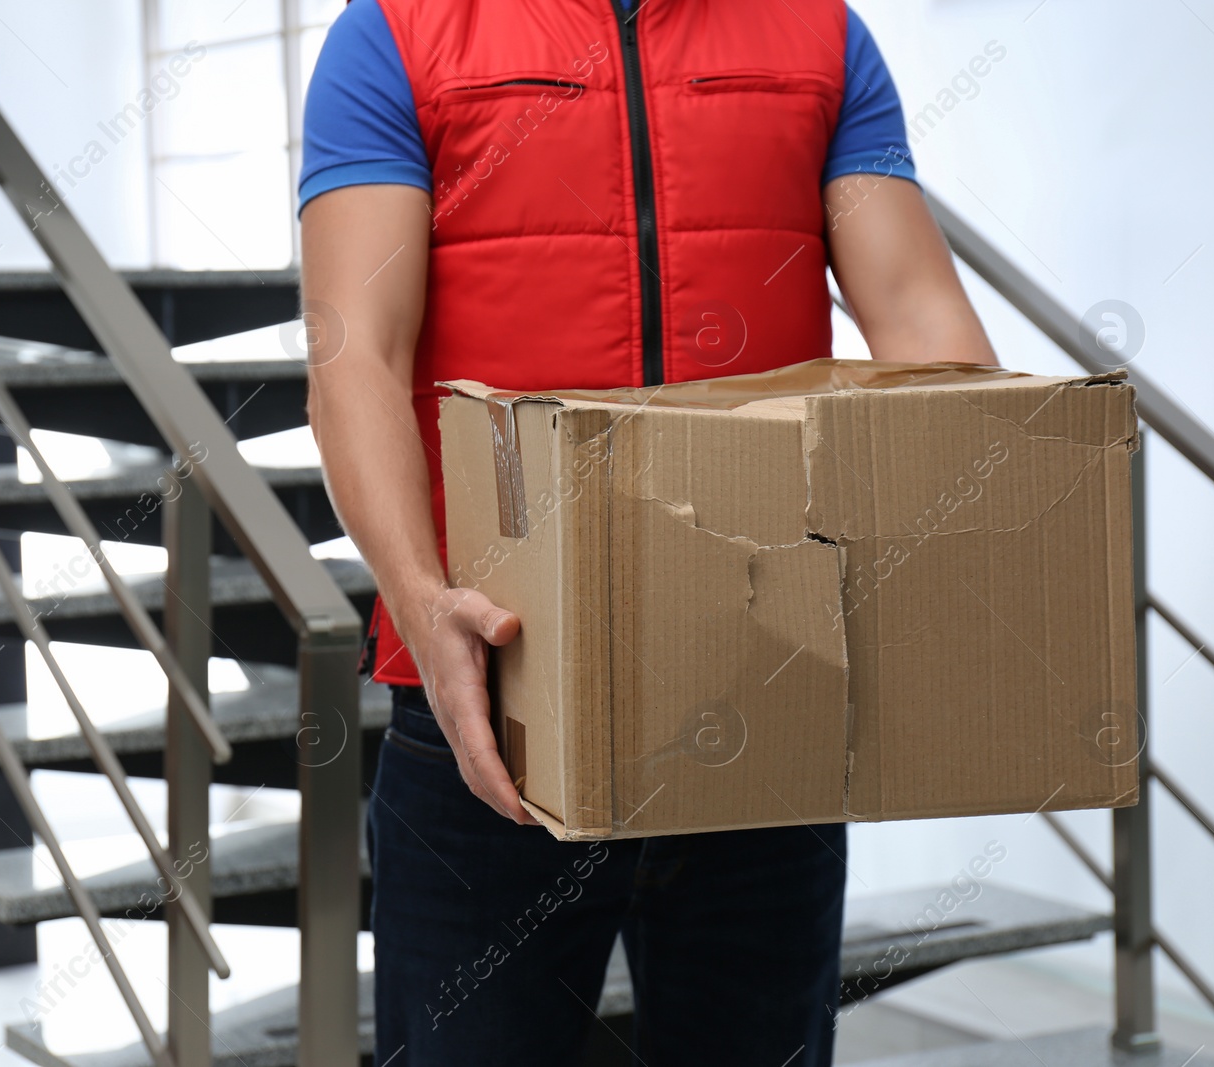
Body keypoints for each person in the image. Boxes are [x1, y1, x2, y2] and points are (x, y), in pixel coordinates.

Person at [299, 1, 996, 1063]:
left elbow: (915, 316)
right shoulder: (397, 32)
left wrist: (954, 533)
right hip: (491, 697)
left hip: (765, 692)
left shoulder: (817, 35)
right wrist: (418, 597)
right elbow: (357, 359)